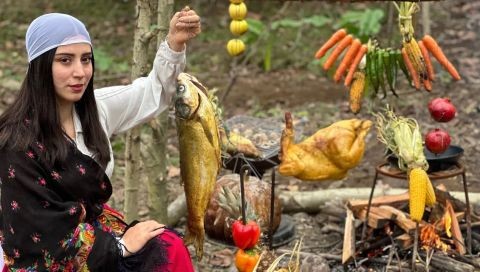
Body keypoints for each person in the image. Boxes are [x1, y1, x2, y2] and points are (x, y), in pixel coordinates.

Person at [0, 7, 201, 272]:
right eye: (65, 60)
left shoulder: (95, 109)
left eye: (86, 59)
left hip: (94, 231)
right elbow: (36, 231)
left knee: (168, 247)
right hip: (46, 253)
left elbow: (152, 93)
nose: (80, 72)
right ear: (40, 66)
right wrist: (120, 246)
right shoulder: (15, 140)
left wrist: (174, 44)